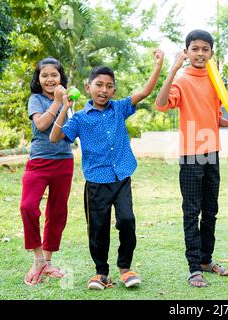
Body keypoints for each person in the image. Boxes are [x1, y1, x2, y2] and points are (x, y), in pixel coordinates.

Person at [49, 49, 164, 290]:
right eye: (98, 85)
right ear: (88, 87)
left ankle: (125, 268)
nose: (103, 90)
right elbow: (54, 137)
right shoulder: (79, 118)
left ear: (114, 90)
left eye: (109, 86)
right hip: (96, 182)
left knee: (127, 220)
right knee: (98, 227)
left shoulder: (119, 108)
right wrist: (63, 105)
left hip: (121, 176)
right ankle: (101, 272)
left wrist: (159, 64)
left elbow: (145, 92)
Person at [155, 29, 228, 287]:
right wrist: (173, 68)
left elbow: (211, 116)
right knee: (192, 212)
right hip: (191, 156)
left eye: (205, 49)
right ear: (187, 51)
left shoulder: (215, 79)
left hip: (212, 152)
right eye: (195, 48)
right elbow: (161, 104)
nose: (200, 53)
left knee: (211, 211)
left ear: (211, 52)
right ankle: (194, 267)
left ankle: (206, 260)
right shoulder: (181, 79)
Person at [20, 57, 74, 286]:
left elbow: (70, 129)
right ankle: (38, 258)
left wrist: (67, 104)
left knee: (57, 211)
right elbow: (41, 125)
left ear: (61, 77)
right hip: (39, 161)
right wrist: (58, 103)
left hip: (64, 161)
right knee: (27, 206)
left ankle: (48, 261)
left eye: (54, 75)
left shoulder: (70, 100)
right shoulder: (36, 99)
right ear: (39, 79)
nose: (50, 79)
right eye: (45, 75)